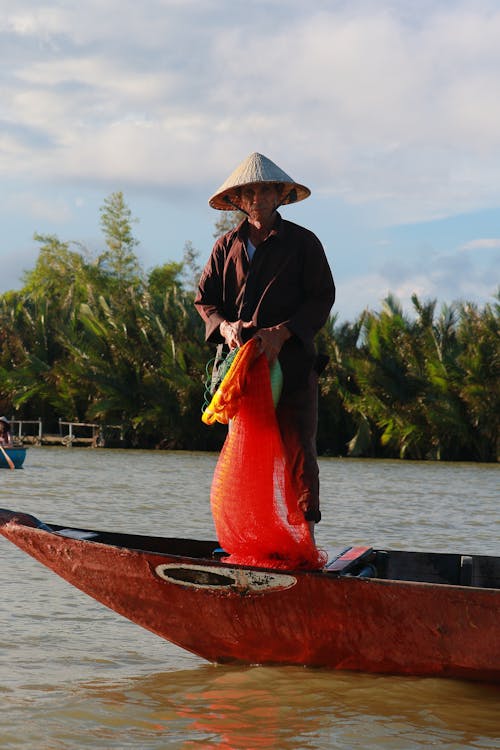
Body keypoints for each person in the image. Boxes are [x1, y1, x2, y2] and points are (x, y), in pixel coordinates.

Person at [195, 152, 335, 539]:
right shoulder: (226, 246)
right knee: (245, 455)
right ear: (239, 200)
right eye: (249, 192)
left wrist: (282, 333)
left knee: (298, 451)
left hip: (290, 364)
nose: (257, 198)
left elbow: (321, 298)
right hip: (242, 368)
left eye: (265, 191)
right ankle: (247, 540)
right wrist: (225, 328)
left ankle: (305, 540)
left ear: (279, 195)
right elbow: (205, 301)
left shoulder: (304, 245)